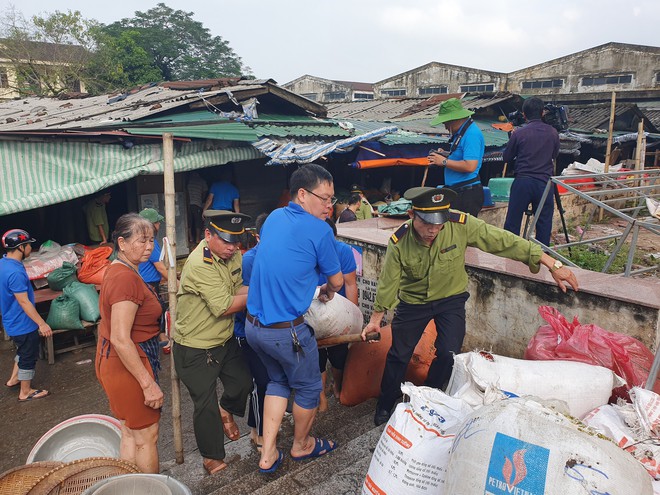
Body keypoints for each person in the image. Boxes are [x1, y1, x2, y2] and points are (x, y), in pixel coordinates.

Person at [360, 186, 579, 426]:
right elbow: (388, 282)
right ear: (412, 215)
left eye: (439, 223)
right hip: (414, 302)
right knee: (398, 355)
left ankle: (430, 398)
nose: (434, 230)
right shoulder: (399, 242)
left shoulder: (460, 224)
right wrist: (375, 319)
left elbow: (501, 240)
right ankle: (385, 404)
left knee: (449, 353)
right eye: (427, 223)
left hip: (450, 299)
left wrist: (550, 263)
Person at [245, 164, 343, 473]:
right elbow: (338, 281)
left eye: (332, 199)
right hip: (286, 332)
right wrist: (326, 290)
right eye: (324, 198)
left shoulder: (274, 217)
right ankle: (302, 445)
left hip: (253, 329)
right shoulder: (320, 230)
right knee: (310, 387)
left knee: (278, 381)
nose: (330, 205)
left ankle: (268, 452)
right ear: (302, 194)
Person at [173, 210, 253, 475]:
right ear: (208, 235)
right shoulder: (199, 264)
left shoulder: (233, 255)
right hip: (195, 347)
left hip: (224, 339)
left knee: (243, 384)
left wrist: (259, 289)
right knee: (204, 404)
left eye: (236, 241)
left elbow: (236, 289)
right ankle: (212, 458)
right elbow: (224, 305)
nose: (233, 247)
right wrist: (264, 294)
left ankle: (226, 409)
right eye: (226, 241)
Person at [95, 214, 163, 473]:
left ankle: (129, 486)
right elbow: (121, 338)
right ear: (121, 243)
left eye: (151, 241)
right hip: (128, 364)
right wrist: (148, 384)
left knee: (130, 432)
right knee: (147, 438)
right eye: (141, 241)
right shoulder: (126, 278)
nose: (148, 247)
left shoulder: (116, 268)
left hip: (113, 362)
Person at [1, 229, 52, 402]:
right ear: (21, 247)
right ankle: (26, 391)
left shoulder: (4, 264)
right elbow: (24, 302)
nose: (31, 247)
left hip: (11, 320)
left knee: (23, 351)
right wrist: (41, 324)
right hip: (23, 322)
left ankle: (14, 379)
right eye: (29, 245)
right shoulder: (15, 272)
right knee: (28, 355)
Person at [233, 212, 270, 453]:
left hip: (269, 331)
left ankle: (258, 429)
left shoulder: (279, 257)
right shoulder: (249, 260)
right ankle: (259, 434)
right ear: (257, 237)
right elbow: (243, 299)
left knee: (270, 382)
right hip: (248, 332)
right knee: (261, 383)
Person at [503, 97, 560, 246]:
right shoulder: (553, 133)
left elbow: (507, 157)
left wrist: (512, 139)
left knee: (512, 222)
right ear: (542, 113)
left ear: (524, 114)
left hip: (523, 181)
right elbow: (554, 155)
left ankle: (509, 255)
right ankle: (541, 257)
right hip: (544, 183)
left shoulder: (519, 133)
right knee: (544, 223)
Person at [317, 218, 358, 412]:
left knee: (339, 356)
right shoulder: (304, 252)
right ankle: (321, 395)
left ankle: (337, 385)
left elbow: (350, 284)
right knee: (316, 358)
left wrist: (353, 316)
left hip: (338, 313)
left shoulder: (343, 251)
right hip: (312, 312)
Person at [427, 98, 485, 217]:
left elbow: (470, 166)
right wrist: (447, 154)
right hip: (458, 191)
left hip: (467, 194)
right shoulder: (462, 133)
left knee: (463, 233)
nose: (445, 127)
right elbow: (462, 156)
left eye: (445, 123)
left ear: (453, 120)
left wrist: (443, 161)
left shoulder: (471, 134)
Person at [137, 208, 170, 351]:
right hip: (148, 284)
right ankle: (163, 340)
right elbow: (161, 268)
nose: (159, 225)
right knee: (158, 310)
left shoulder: (139, 240)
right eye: (157, 222)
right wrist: (177, 283)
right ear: (151, 225)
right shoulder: (150, 242)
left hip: (144, 281)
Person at [187, 172, 208, 244]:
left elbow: (187, 192)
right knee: (197, 221)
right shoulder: (202, 181)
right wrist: (202, 199)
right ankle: (197, 239)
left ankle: (191, 238)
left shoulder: (189, 181)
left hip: (189, 204)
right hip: (197, 204)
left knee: (190, 221)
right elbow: (205, 192)